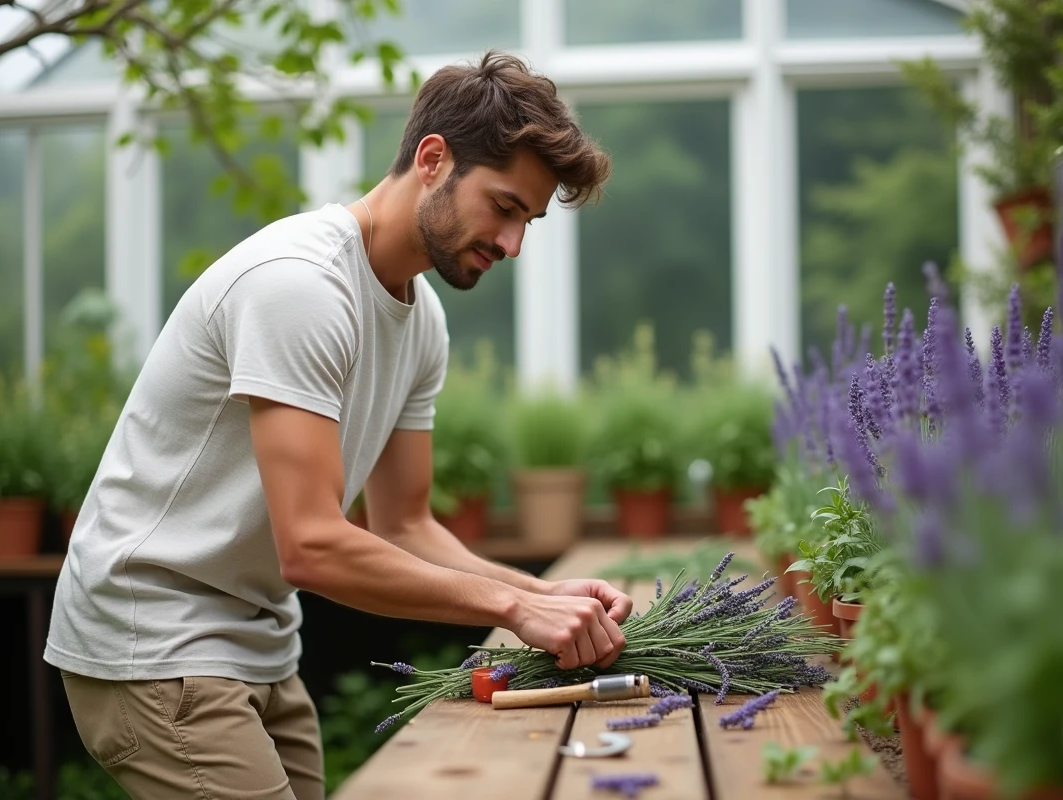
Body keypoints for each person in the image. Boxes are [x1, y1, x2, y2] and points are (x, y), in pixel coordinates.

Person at [44, 49, 630, 800]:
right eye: (505, 207)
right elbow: (313, 546)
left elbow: (403, 525)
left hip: (256, 641)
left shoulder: (422, 322)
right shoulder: (301, 287)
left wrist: (541, 597)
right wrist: (516, 607)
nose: (513, 244)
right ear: (432, 159)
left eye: (529, 222)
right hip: (155, 637)